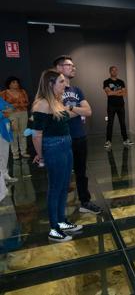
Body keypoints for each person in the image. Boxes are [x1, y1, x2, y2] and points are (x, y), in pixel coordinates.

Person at [31, 69, 82, 242]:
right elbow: (36, 134)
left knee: (64, 186)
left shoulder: (56, 101)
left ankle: (61, 221)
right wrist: (41, 155)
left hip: (65, 144)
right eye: (61, 82)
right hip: (53, 147)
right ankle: (54, 228)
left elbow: (68, 116)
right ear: (50, 84)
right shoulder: (42, 104)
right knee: (55, 188)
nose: (66, 84)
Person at [54, 55, 102, 214]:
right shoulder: (53, 91)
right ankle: (59, 210)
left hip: (80, 136)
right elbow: (58, 115)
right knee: (62, 174)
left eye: (74, 66)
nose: (73, 68)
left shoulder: (77, 90)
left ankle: (85, 202)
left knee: (81, 172)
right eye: (69, 65)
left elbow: (88, 111)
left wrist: (70, 109)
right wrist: (72, 110)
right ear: (59, 68)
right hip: (62, 138)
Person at [103, 66, 133, 149]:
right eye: (113, 70)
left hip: (121, 105)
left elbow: (124, 93)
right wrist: (119, 91)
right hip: (111, 106)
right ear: (110, 72)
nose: (115, 72)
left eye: (116, 70)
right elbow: (108, 93)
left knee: (122, 123)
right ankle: (108, 141)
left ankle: (125, 140)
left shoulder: (121, 82)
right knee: (110, 124)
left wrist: (113, 92)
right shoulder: (106, 82)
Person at [0, 77, 29, 159]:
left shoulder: (22, 91)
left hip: (23, 113)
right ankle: (15, 153)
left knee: (23, 133)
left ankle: (24, 152)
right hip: (11, 114)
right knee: (13, 133)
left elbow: (27, 102)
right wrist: (11, 106)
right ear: (9, 84)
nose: (16, 84)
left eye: (17, 82)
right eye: (13, 82)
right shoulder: (4, 93)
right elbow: (2, 105)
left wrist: (20, 105)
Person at [0, 97, 17, 183]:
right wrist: (3, 114)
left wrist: (8, 109)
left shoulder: (0, 99)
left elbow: (11, 107)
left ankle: (4, 174)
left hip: (5, 130)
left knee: (5, 153)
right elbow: (6, 111)